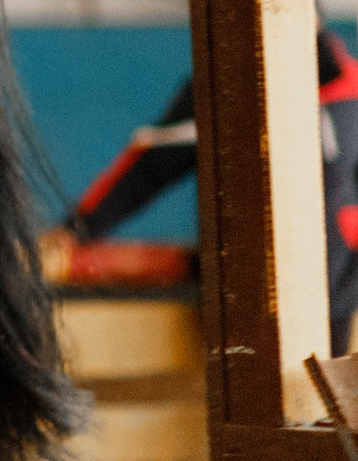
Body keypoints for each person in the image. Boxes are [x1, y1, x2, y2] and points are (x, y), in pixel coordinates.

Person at [62, 23, 358, 347]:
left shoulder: (351, 92)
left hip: (334, 293)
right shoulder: (220, 87)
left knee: (320, 388)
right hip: (242, 293)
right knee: (248, 390)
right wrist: (76, 231)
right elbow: (148, 170)